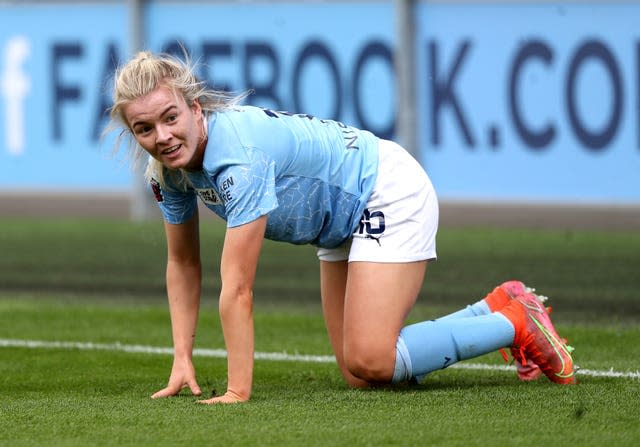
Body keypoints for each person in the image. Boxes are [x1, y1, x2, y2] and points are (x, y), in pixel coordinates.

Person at [107, 51, 575, 404]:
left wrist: (237, 391)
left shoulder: (238, 157)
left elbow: (239, 287)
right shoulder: (166, 173)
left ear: (196, 108)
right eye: (145, 129)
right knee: (360, 373)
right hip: (337, 225)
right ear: (133, 134)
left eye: (171, 118)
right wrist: (182, 356)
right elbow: (184, 263)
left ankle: (516, 323)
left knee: (372, 357)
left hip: (383, 187)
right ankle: (496, 308)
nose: (163, 137)